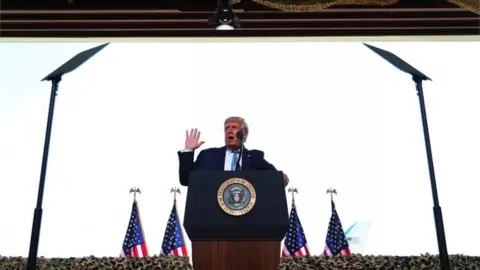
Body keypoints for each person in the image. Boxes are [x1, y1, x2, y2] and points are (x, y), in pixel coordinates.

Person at [177, 116, 289, 187]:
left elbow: (278, 179)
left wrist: (282, 178)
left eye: (234, 127)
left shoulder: (255, 157)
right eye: (226, 128)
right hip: (212, 217)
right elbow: (186, 180)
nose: (229, 131)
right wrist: (188, 151)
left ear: (244, 134)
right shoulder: (208, 155)